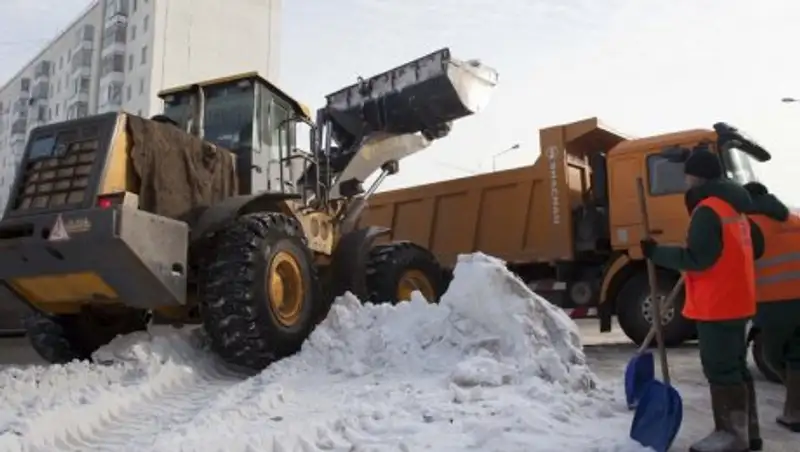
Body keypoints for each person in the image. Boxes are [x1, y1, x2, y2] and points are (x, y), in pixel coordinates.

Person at [640, 148, 763, 452]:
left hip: (717, 305)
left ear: (696, 176)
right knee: (735, 367)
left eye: (687, 175)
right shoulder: (735, 207)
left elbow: (698, 259)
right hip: (737, 300)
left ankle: (731, 435)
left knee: (721, 369)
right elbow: (753, 248)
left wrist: (656, 253)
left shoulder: (708, 210)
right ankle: (748, 432)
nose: (686, 181)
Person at [744, 181, 800, 434]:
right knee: (796, 356)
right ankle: (794, 412)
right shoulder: (794, 220)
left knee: (771, 356)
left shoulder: (749, 225)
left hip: (774, 302)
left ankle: (795, 407)